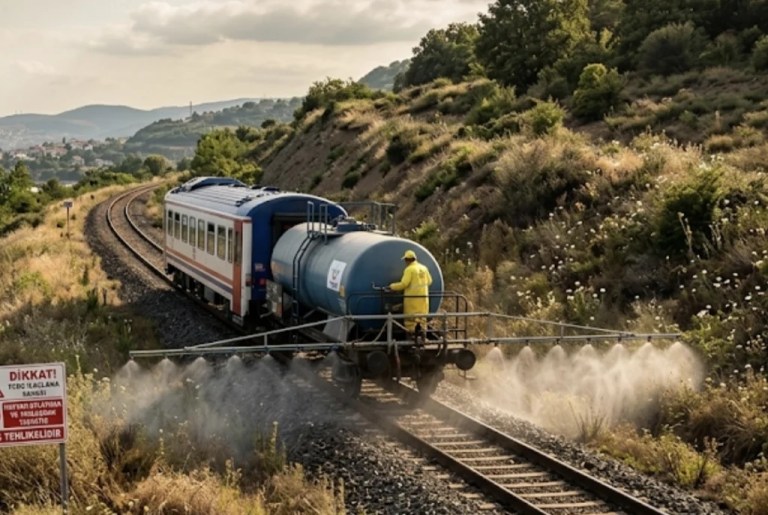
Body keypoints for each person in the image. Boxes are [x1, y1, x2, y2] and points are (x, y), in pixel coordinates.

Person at [386, 249, 432, 335]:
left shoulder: (409, 269)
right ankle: (423, 337)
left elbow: (404, 284)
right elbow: (429, 281)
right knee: (422, 319)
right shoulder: (424, 268)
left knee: (411, 321)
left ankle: (411, 339)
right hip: (424, 299)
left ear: (407, 260)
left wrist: (392, 286)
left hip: (412, 300)